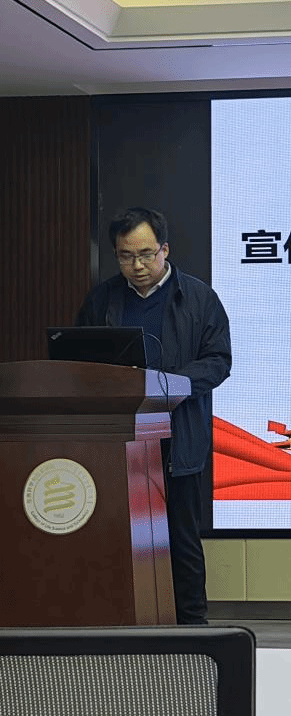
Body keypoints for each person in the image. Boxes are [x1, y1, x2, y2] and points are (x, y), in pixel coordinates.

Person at [76, 207, 231, 625]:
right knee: (115, 533)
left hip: (177, 438)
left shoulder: (198, 298)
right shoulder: (102, 300)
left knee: (181, 537)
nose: (137, 265)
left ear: (165, 249)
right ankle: (120, 619)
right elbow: (78, 363)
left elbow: (218, 362)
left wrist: (166, 384)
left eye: (146, 254)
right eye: (126, 256)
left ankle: (192, 626)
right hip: (117, 441)